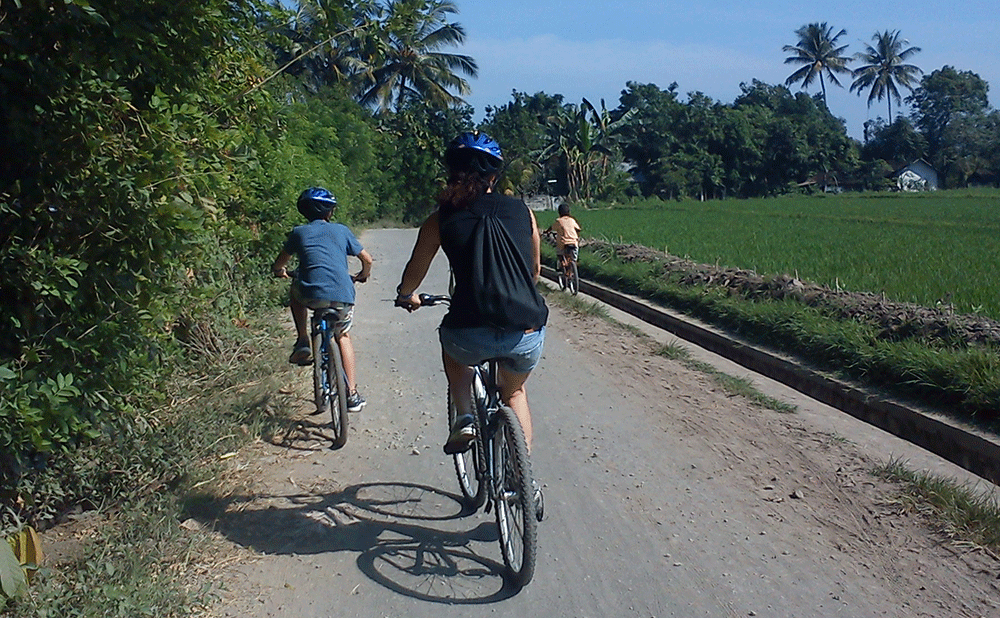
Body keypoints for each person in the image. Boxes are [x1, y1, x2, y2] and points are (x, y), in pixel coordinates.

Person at [395, 131, 547, 515]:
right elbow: (534, 269)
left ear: (451, 171)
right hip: (524, 330)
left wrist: (405, 294)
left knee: (451, 346)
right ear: (495, 175)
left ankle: (464, 415)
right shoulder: (523, 211)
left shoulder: (440, 218)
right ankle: (521, 480)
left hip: (468, 332)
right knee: (514, 394)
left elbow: (417, 268)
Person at [272, 187, 373, 413]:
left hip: (310, 294)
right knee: (343, 336)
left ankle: (303, 341)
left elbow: (280, 262)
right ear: (330, 212)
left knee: (295, 294)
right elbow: (367, 259)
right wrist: (363, 274)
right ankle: (352, 394)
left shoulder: (298, 232)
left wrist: (279, 270)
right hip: (341, 296)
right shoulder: (341, 230)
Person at [546, 202, 581, 273]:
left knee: (560, 254)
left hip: (563, 242)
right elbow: (578, 229)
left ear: (559, 212)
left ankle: (562, 263)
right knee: (573, 259)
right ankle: (572, 269)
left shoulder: (559, 221)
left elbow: (552, 228)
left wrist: (546, 232)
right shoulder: (572, 220)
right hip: (574, 242)